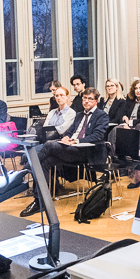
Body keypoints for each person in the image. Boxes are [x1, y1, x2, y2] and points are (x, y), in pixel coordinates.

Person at [23, 88, 110, 216]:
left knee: (48, 145)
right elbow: (70, 131)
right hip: (70, 149)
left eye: (90, 99)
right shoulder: (79, 114)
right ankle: (39, 201)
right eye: (84, 98)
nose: (86, 101)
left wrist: (77, 141)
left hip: (86, 152)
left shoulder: (102, 116)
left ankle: (24, 170)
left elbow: (98, 136)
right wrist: (66, 137)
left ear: (96, 101)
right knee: (45, 162)